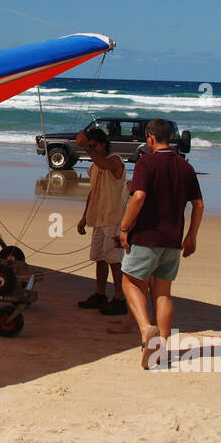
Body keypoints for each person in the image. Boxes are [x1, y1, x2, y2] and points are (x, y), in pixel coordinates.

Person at [112, 118, 204, 368]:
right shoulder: (186, 167)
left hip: (146, 236)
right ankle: (161, 348)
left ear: (150, 138)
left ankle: (145, 328)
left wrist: (124, 227)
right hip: (173, 239)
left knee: (130, 280)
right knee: (163, 293)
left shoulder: (146, 162)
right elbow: (198, 204)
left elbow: (139, 196)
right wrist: (191, 235)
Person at [75, 127, 129, 315]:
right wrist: (84, 217)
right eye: (89, 146)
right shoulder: (95, 164)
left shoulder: (115, 161)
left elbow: (106, 164)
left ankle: (120, 298)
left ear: (103, 144)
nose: (90, 149)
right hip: (98, 218)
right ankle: (100, 294)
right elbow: (93, 191)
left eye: (93, 145)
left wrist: (84, 148)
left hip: (113, 219)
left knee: (114, 260)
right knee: (99, 258)